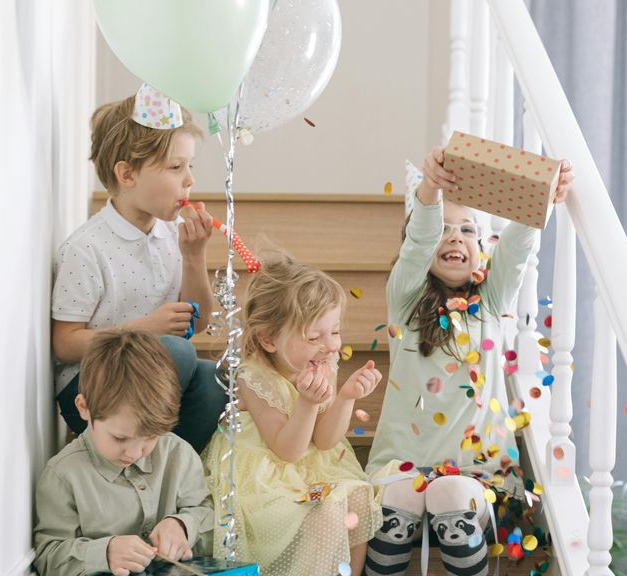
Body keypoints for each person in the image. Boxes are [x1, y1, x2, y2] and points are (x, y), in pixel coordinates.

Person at [364, 147, 573, 576]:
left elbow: (515, 250)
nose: (455, 236)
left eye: (467, 230)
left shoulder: (492, 304)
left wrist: (541, 195)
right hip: (399, 466)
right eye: (444, 228)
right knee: (402, 497)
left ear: (480, 249)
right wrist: (430, 190)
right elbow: (418, 241)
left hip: (478, 474)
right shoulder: (403, 299)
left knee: (449, 494)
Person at [51, 84, 225, 453]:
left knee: (214, 380)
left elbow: (199, 322)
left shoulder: (169, 237)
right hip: (89, 390)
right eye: (176, 167)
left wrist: (194, 257)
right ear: (127, 174)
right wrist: (145, 329)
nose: (189, 179)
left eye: (189, 166)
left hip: (150, 381)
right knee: (176, 353)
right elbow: (65, 344)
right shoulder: (87, 248)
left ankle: (166, 471)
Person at [202, 253, 384, 576]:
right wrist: (307, 403)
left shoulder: (323, 362)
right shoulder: (253, 376)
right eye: (314, 337)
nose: (330, 346)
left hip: (313, 468)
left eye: (335, 332)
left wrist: (344, 397)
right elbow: (288, 449)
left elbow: (326, 440)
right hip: (264, 480)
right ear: (269, 339)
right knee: (325, 514)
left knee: (357, 497)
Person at [34, 329, 214, 576]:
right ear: (84, 408)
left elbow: (209, 514)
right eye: (120, 437)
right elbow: (48, 555)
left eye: (150, 437)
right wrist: (104, 553)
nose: (134, 452)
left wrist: (183, 526)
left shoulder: (178, 455)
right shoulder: (63, 476)